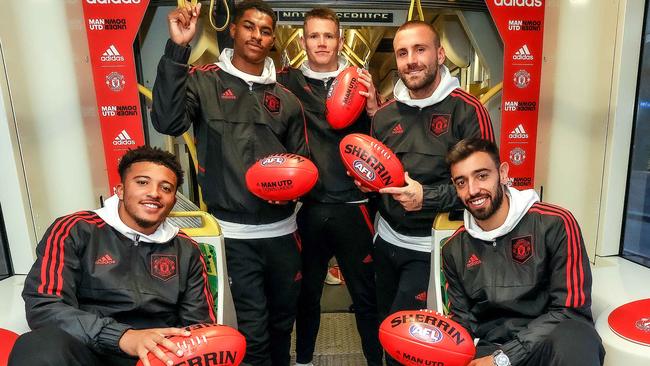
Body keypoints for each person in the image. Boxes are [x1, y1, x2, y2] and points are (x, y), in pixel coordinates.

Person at [151, 1, 308, 365]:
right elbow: (167, 121)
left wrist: (292, 192)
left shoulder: (286, 100)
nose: (257, 35)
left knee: (283, 323)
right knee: (251, 331)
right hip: (234, 237)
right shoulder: (204, 81)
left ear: (273, 39)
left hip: (284, 235)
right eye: (250, 27)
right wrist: (178, 49)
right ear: (233, 30)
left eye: (266, 30)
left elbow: (302, 163)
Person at [9, 146, 215, 366]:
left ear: (173, 201)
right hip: (89, 350)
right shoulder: (74, 230)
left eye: (166, 188)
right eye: (142, 182)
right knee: (38, 345)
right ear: (120, 190)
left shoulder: (186, 249)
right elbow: (45, 305)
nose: (154, 193)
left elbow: (199, 327)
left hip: (159, 357)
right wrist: (121, 337)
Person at [366, 20, 494, 364]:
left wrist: (427, 197)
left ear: (439, 54)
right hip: (387, 243)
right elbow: (378, 177)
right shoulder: (384, 116)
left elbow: (484, 189)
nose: (411, 60)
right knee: (385, 332)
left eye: (420, 50)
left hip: (434, 250)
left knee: (409, 346)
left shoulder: (466, 111)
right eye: (403, 53)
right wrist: (366, 181)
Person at [276, 7, 382, 366]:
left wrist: (373, 110)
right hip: (308, 209)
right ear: (304, 40)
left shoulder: (361, 82)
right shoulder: (285, 83)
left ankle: (374, 361)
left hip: (355, 209)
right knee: (306, 295)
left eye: (328, 35)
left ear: (339, 40)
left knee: (366, 297)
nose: (321, 42)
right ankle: (304, 360)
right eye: (314, 35)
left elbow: (379, 142)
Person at [443, 138, 605, 366]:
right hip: (490, 350)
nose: (472, 190)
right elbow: (461, 323)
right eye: (461, 182)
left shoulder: (555, 223)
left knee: (576, 336)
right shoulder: (453, 249)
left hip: (549, 346)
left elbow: (570, 311)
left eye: (482, 176)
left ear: (503, 173)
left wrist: (506, 357)